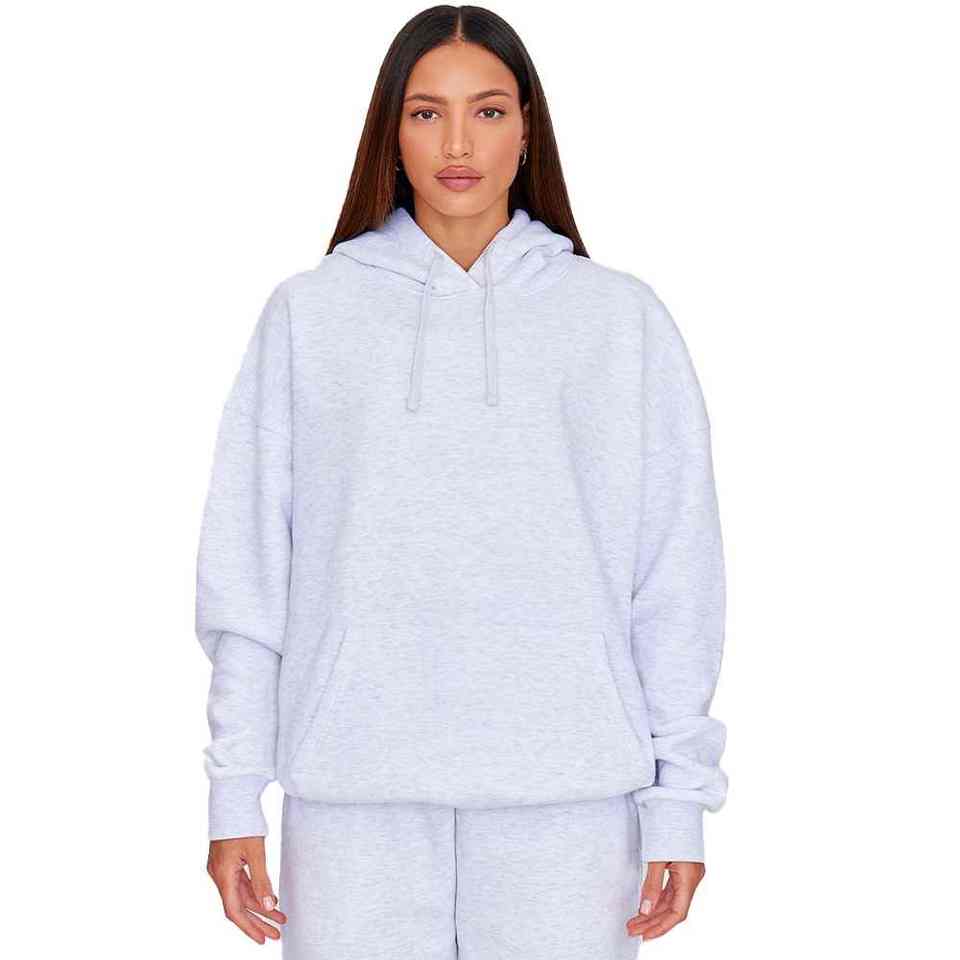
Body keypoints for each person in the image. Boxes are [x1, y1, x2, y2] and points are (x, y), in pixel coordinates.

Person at [195, 6, 728, 958]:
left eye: (486, 111)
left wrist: (679, 801)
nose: (456, 144)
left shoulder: (618, 320)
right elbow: (250, 566)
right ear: (390, 133)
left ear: (527, 131)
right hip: (353, 802)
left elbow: (674, 573)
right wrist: (235, 792)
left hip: (569, 804)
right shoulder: (311, 316)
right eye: (425, 112)